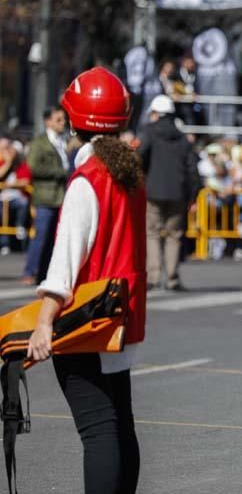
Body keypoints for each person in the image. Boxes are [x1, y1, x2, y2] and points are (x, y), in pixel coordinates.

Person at [26, 67, 146, 493]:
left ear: (74, 119)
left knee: (96, 431)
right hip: (121, 311)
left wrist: (44, 320)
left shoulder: (87, 179)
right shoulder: (128, 173)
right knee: (119, 425)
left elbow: (66, 260)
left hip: (88, 317)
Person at [136, 94, 199, 290]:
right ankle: (172, 277)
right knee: (174, 235)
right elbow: (192, 169)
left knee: (152, 233)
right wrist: (193, 195)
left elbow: (139, 157)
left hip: (153, 191)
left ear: (156, 113)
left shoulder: (149, 132)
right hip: (178, 193)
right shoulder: (182, 138)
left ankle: (153, 276)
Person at [23, 106, 69, 284]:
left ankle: (44, 272)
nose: (62, 123)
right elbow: (33, 166)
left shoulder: (63, 141)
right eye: (58, 120)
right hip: (46, 196)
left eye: (63, 119)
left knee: (53, 238)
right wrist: (60, 172)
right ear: (47, 121)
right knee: (41, 236)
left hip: (59, 196)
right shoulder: (39, 142)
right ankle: (30, 270)